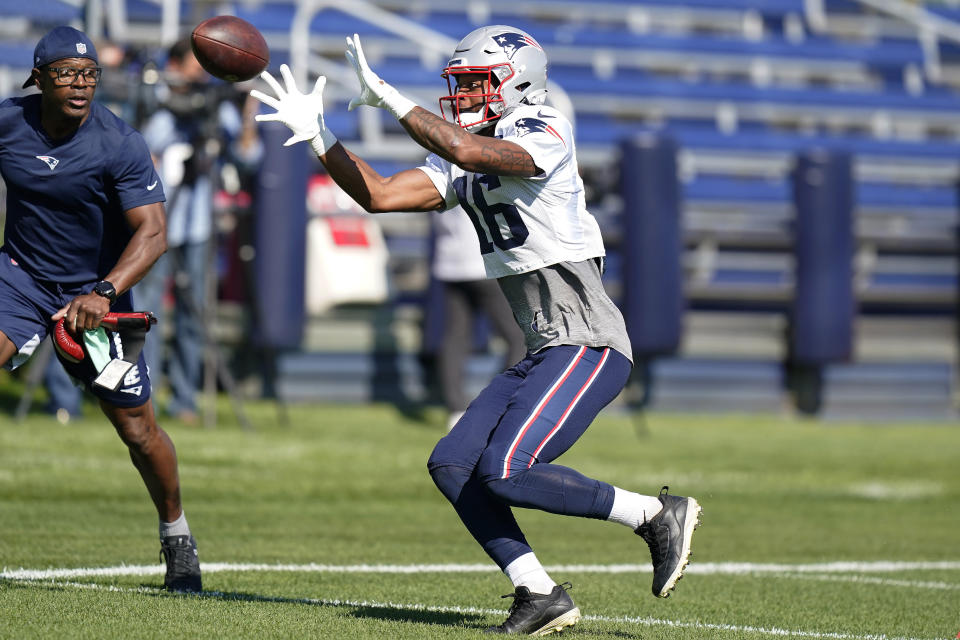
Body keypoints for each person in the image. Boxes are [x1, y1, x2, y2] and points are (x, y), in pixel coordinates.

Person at [251, 26, 701, 634]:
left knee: (508, 469)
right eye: (458, 84)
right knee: (454, 463)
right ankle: (538, 592)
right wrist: (323, 139)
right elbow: (381, 195)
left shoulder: (544, 130)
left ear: (519, 84)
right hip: (546, 346)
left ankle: (652, 514)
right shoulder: (466, 148)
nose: (463, 95)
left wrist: (388, 97)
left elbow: (468, 154)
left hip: (589, 339)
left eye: (476, 82)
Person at [0, 26, 201, 592]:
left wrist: (105, 292)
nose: (81, 84)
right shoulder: (8, 120)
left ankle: (177, 535)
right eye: (66, 73)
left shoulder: (119, 142)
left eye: (89, 74)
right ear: (38, 79)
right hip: (18, 278)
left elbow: (154, 233)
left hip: (96, 293)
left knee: (139, 431)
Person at [135, 39, 262, 423]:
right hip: (155, 224)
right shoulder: (152, 101)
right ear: (173, 65)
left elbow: (247, 158)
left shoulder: (212, 106)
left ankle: (186, 399)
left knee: (195, 312)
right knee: (147, 311)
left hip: (197, 224)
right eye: (194, 67)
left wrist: (246, 116)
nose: (199, 76)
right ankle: (145, 394)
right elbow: (139, 149)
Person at [430, 207, 526, 431]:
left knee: (456, 336)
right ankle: (492, 407)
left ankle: (456, 409)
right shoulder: (473, 171)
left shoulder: (439, 171)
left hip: (451, 260)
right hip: (484, 262)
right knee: (518, 338)